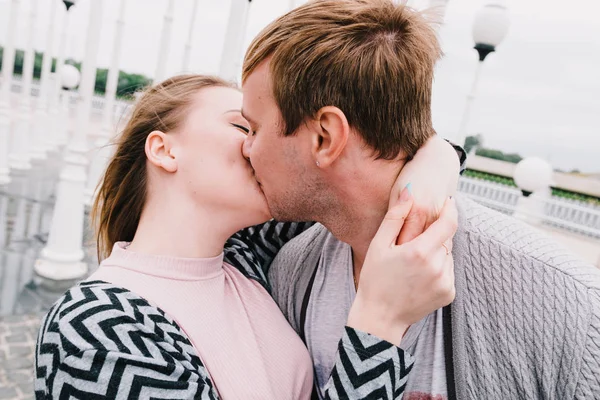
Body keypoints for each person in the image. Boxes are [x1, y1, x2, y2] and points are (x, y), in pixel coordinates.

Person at [239, 0, 600, 399]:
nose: (246, 149)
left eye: (253, 129)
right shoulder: (290, 271)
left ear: (326, 137)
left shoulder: (570, 306)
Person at [34, 74, 461, 399]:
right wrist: (380, 322)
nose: (258, 149)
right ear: (164, 150)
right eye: (243, 128)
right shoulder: (92, 326)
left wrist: (428, 174)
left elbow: (364, 177)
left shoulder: (247, 255)